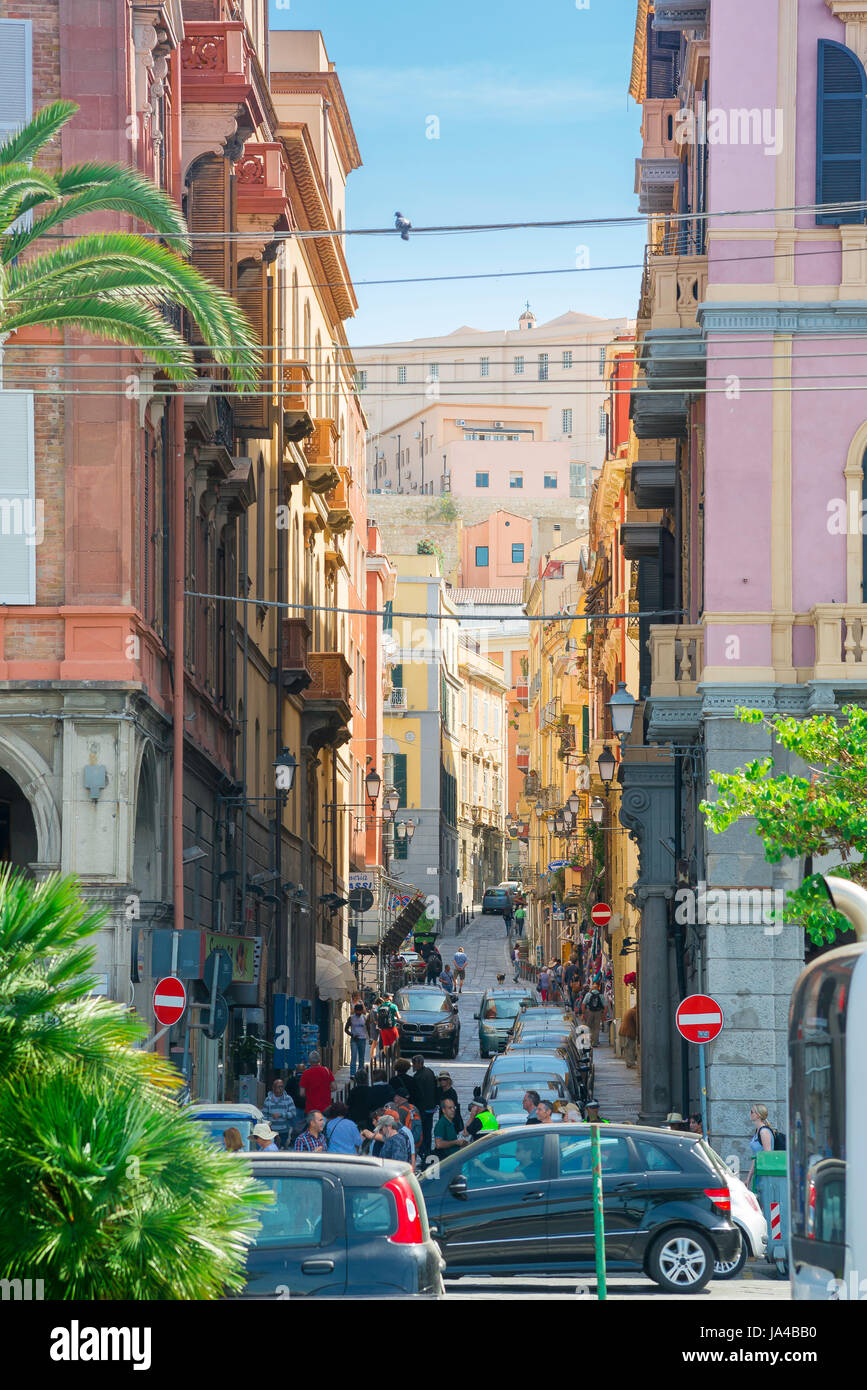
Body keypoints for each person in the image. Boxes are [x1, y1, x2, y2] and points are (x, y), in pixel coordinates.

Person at [412, 1054, 439, 1159]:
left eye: (414, 1063)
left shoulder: (418, 1077)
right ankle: (427, 1150)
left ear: (419, 1063)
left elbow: (417, 1094)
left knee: (421, 1130)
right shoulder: (430, 1072)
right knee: (428, 1129)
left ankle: (423, 1151)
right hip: (430, 1108)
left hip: (422, 1109)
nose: (413, 1066)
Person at [261, 1076, 297, 1149]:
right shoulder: (268, 1100)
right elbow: (264, 1116)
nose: (280, 1089)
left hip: (284, 1131)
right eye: (278, 1087)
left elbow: (293, 1113)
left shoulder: (288, 1099)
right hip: (272, 1132)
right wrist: (268, 1126)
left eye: (282, 1087)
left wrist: (281, 1115)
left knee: (283, 1150)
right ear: (273, 1088)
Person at [746, 1103, 777, 1187]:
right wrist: (748, 1178)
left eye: (752, 1112)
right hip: (758, 1172)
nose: (750, 1114)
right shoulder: (758, 1131)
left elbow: (768, 1155)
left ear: (758, 1115)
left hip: (764, 1174)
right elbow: (755, 1157)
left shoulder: (764, 1132)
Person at [344, 1001, 374, 1078]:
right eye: (358, 1011)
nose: (359, 1012)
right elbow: (346, 1029)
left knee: (361, 1057)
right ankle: (352, 1073)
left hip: (362, 1039)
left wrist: (370, 1037)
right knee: (353, 1056)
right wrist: (352, 1035)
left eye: (360, 1011)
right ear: (355, 1010)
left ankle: (360, 1072)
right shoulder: (351, 1018)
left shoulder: (364, 1017)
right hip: (354, 1039)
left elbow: (368, 1027)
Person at [373, 994, 401, 1059]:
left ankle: (387, 1057)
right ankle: (395, 1057)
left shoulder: (380, 1007)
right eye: (391, 996)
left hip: (383, 1029)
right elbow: (398, 1017)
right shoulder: (393, 1006)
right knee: (396, 1042)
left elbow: (378, 1017)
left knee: (385, 1044)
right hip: (392, 1028)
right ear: (389, 998)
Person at [582, 982, 606, 1046]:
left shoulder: (588, 994)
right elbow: (605, 1006)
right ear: (598, 988)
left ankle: (590, 1040)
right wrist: (604, 1015)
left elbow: (583, 1004)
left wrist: (583, 1013)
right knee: (596, 1027)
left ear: (592, 988)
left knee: (589, 1027)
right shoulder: (601, 995)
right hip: (598, 1012)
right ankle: (595, 1042)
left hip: (589, 1012)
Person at [619, 1004, 638, 1068]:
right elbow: (637, 1023)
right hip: (628, 1033)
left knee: (627, 1048)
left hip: (623, 1032)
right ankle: (630, 1063)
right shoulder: (634, 1012)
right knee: (630, 1048)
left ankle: (629, 1063)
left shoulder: (630, 1010)